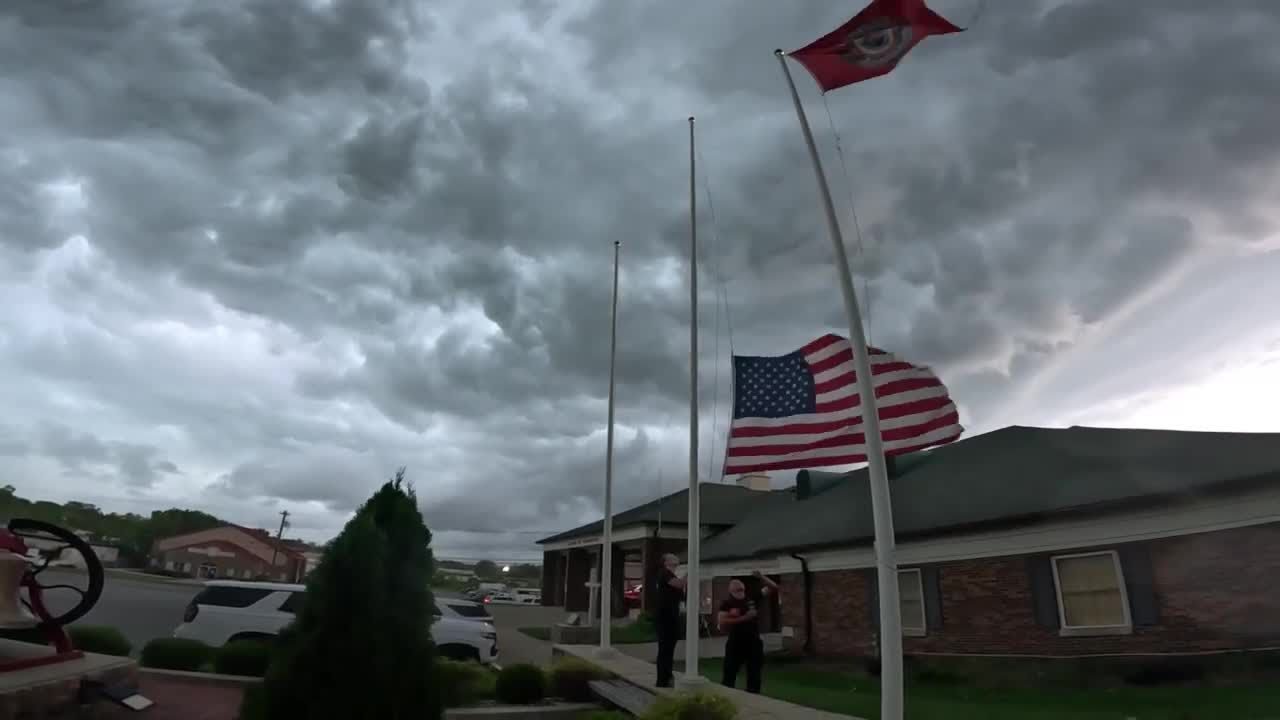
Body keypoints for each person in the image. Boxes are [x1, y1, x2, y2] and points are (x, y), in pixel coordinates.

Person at [716, 570, 777, 693]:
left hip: (753, 641)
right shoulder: (727, 604)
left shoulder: (752, 598)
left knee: (754, 672)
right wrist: (744, 618)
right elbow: (722, 622)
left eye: (742, 589)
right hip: (736, 641)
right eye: (737, 590)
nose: (740, 592)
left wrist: (761, 577)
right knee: (730, 672)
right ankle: (727, 694)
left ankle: (753, 694)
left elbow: (773, 587)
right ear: (731, 591)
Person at [653, 552, 685, 688]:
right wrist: (692, 574)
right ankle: (662, 680)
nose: (676, 558)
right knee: (665, 648)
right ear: (666, 562)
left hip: (672, 615)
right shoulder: (664, 573)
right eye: (672, 557)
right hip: (665, 617)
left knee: (669, 648)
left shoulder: (671, 575)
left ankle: (667, 677)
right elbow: (679, 585)